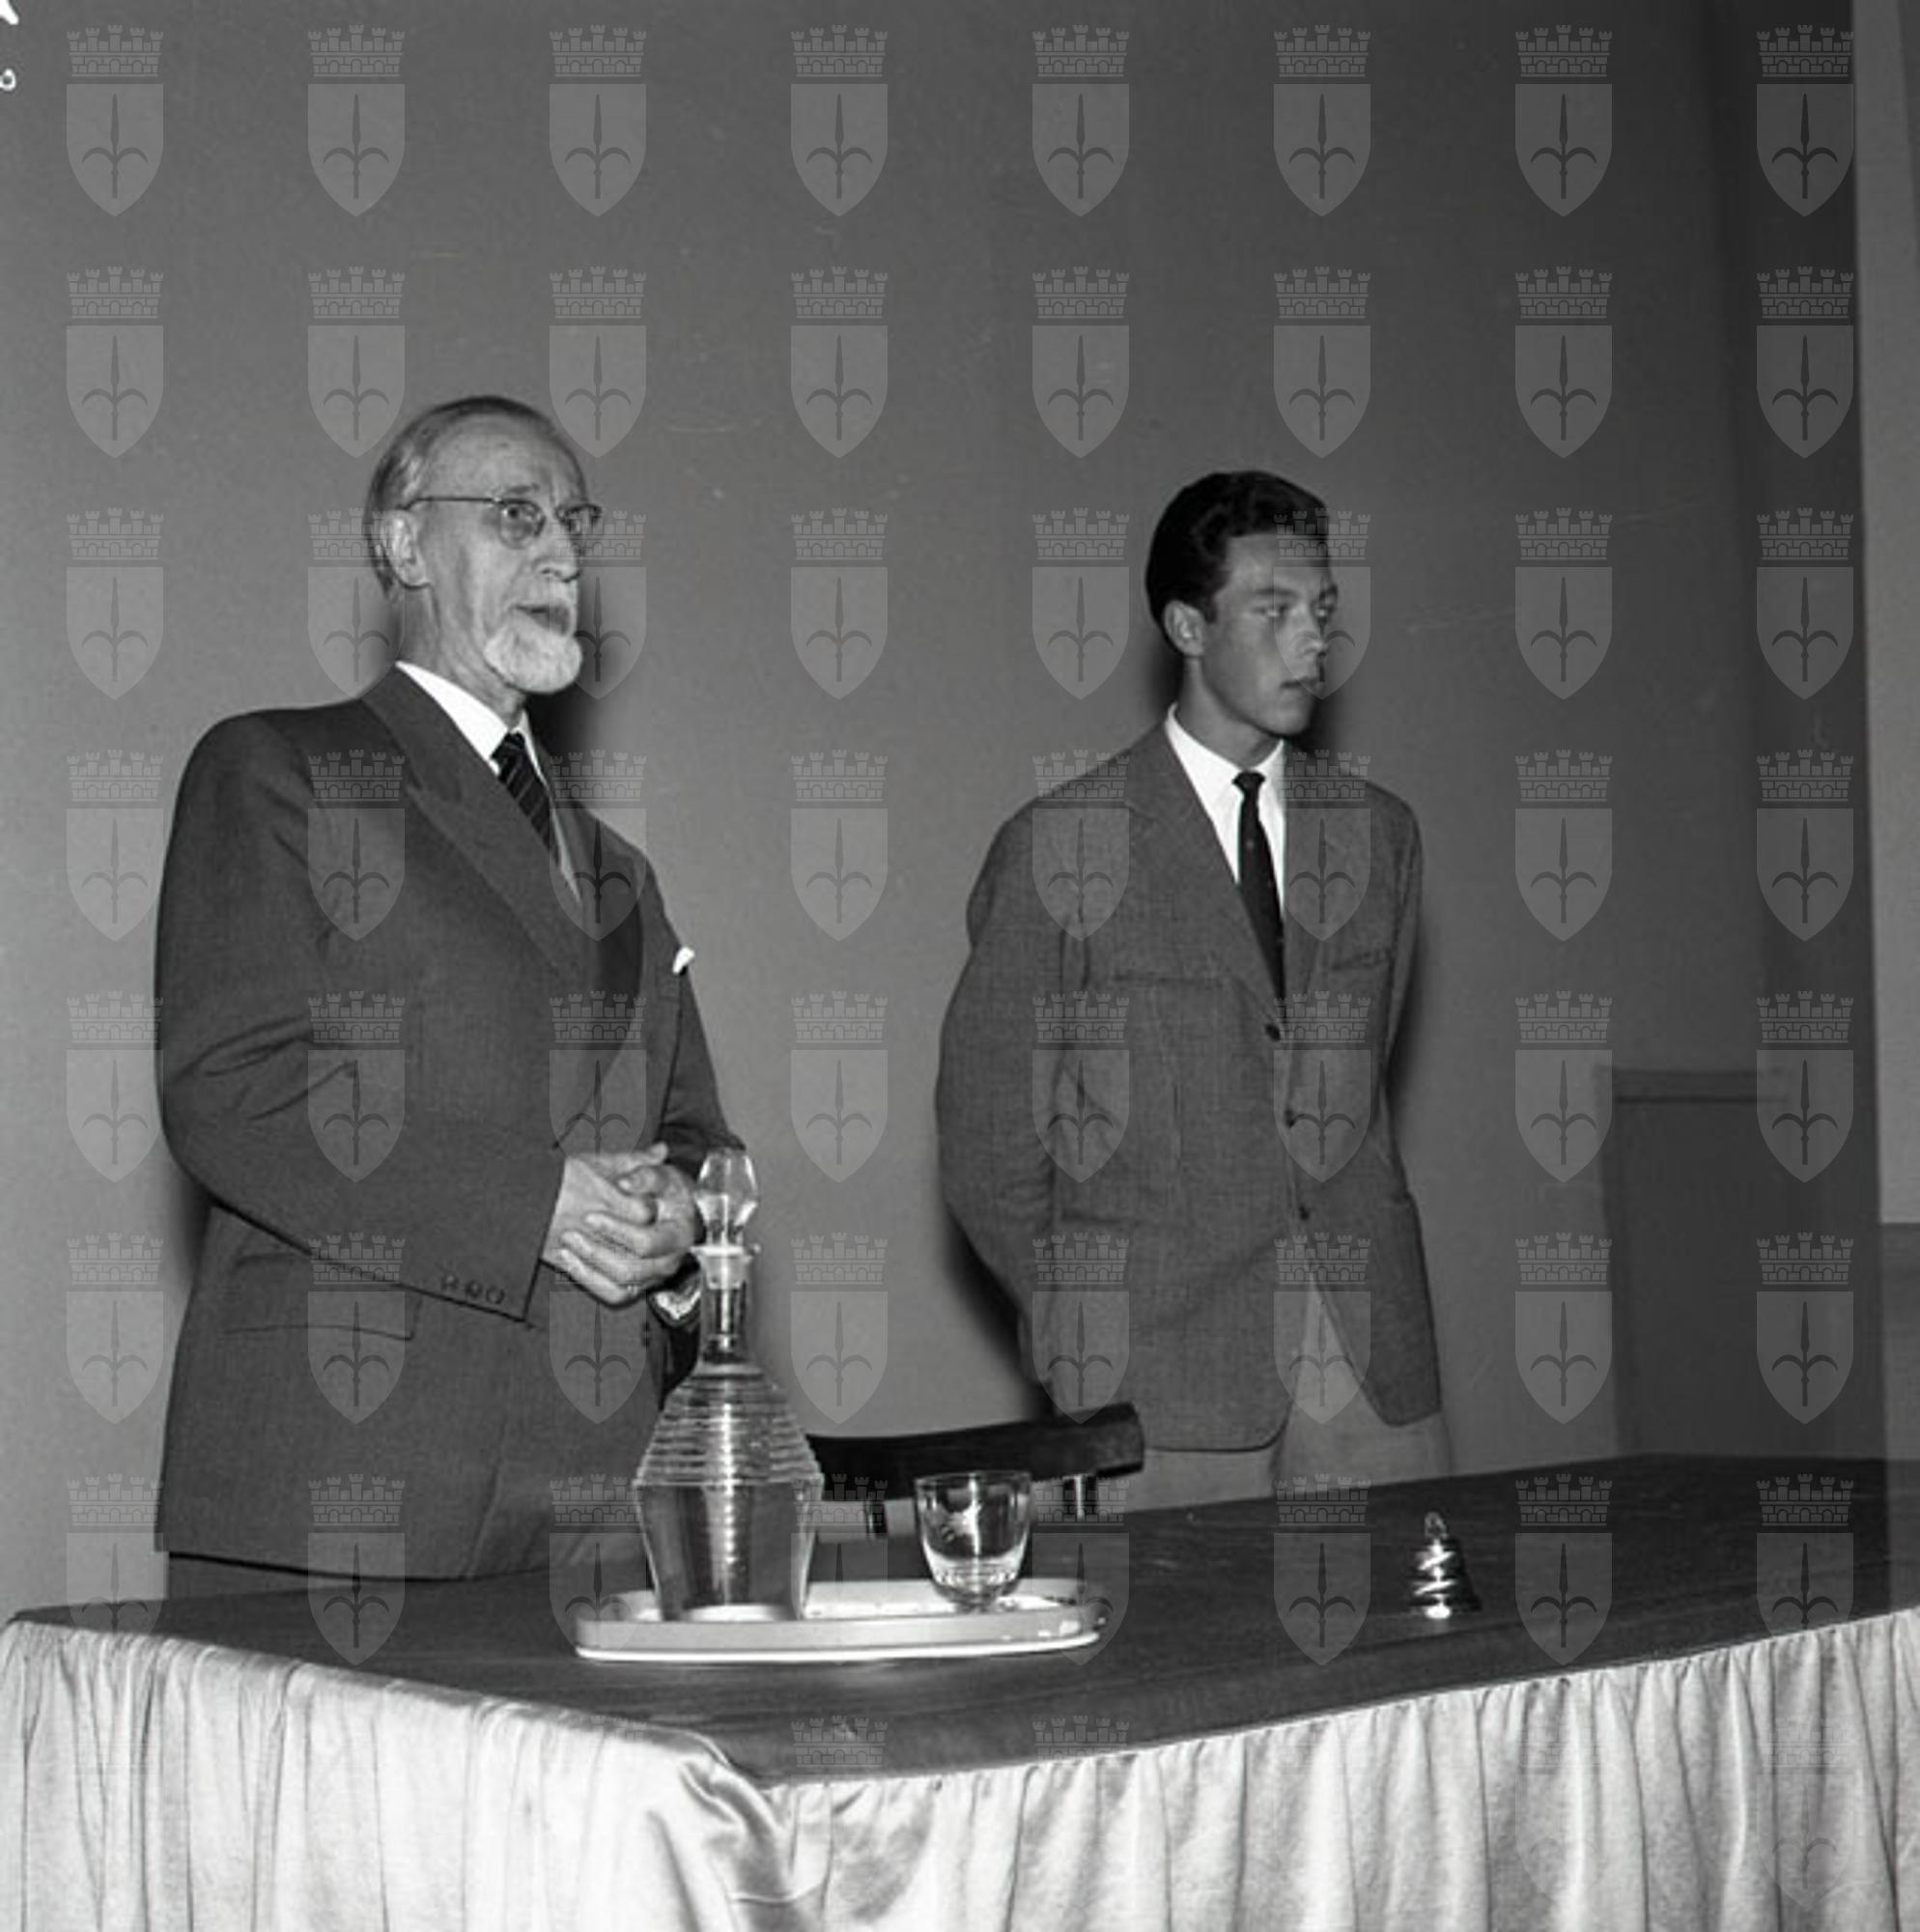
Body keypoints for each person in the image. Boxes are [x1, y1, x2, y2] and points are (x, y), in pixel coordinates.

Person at [155, 395, 737, 1590]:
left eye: (573, 521)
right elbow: (233, 1087)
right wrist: (536, 1203)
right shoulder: (277, 768)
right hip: (344, 1473)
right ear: (404, 544)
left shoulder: (622, 873)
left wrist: (683, 1222)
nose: (563, 554)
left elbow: (696, 1135)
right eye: (517, 514)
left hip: (596, 1496)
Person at [936, 469, 1447, 1508]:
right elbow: (990, 1145)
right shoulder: (1059, 845)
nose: (1312, 641)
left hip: (1369, 1369)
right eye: (1273, 610)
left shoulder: (1381, 837)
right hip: (1156, 1382)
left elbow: (1351, 1098)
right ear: (1187, 626)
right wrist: (1080, 1331)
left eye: (1322, 610)